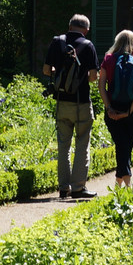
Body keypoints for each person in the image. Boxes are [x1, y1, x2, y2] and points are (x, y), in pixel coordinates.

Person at [42, 14, 100, 200]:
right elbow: (92, 77)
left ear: (69, 26)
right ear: (86, 30)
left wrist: (59, 75)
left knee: (63, 146)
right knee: (82, 144)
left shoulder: (57, 42)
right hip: (81, 102)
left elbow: (46, 70)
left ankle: (63, 187)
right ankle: (78, 188)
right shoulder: (88, 45)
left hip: (61, 101)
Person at [98, 30, 133, 189]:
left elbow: (101, 86)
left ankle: (122, 184)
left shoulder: (108, 59)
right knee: (125, 146)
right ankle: (126, 185)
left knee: (122, 145)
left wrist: (109, 108)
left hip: (114, 107)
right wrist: (129, 112)